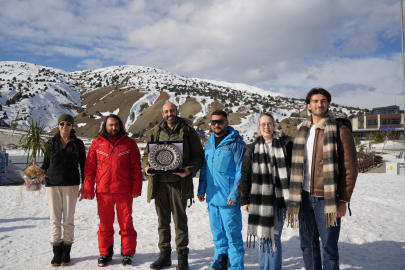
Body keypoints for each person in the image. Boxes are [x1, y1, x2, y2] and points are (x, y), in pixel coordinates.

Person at [288, 88, 358, 270]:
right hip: (303, 197)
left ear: (328, 104)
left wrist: (343, 200)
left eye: (323, 100)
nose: (320, 104)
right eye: (316, 101)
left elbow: (350, 169)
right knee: (307, 247)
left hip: (326, 200)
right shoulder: (302, 130)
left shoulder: (340, 130)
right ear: (309, 105)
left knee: (329, 248)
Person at [143, 102, 204, 270]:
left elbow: (199, 155)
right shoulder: (155, 132)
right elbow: (146, 155)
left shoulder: (188, 131)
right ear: (162, 114)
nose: (169, 114)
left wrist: (189, 170)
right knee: (162, 222)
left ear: (177, 111)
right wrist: (146, 168)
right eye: (166, 111)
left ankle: (182, 256)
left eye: (172, 110)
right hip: (159, 184)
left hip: (179, 184)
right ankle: (165, 255)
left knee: (180, 222)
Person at [83, 114, 143, 267]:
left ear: (120, 125)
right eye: (111, 125)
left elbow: (136, 167)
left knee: (126, 223)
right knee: (105, 224)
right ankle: (105, 253)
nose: (114, 128)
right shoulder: (96, 144)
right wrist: (88, 188)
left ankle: (127, 253)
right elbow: (89, 168)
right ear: (105, 126)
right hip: (103, 192)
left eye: (116, 124)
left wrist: (137, 187)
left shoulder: (129, 144)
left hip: (124, 191)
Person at [240, 113, 293, 270]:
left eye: (269, 123)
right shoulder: (251, 149)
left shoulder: (286, 145)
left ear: (274, 125)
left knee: (273, 237)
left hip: (279, 198)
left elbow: (297, 169)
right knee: (263, 237)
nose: (266, 127)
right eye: (263, 124)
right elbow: (245, 176)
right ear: (258, 127)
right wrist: (244, 200)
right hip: (259, 199)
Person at [197, 110, 246, 270]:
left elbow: (241, 170)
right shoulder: (209, 143)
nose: (216, 125)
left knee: (233, 236)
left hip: (229, 199)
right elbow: (205, 168)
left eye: (220, 121)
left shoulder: (236, 143)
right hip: (212, 199)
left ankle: (236, 266)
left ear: (227, 122)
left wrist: (235, 194)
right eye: (213, 122)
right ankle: (220, 262)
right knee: (218, 235)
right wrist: (201, 190)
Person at [42, 114, 86, 266]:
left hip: (71, 184)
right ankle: (56, 251)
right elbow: (45, 164)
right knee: (55, 219)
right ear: (58, 126)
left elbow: (83, 165)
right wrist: (36, 174)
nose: (65, 126)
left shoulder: (78, 144)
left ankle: (66, 250)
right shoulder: (50, 142)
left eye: (68, 123)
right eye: (62, 123)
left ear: (72, 126)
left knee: (68, 219)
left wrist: (85, 184)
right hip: (52, 184)